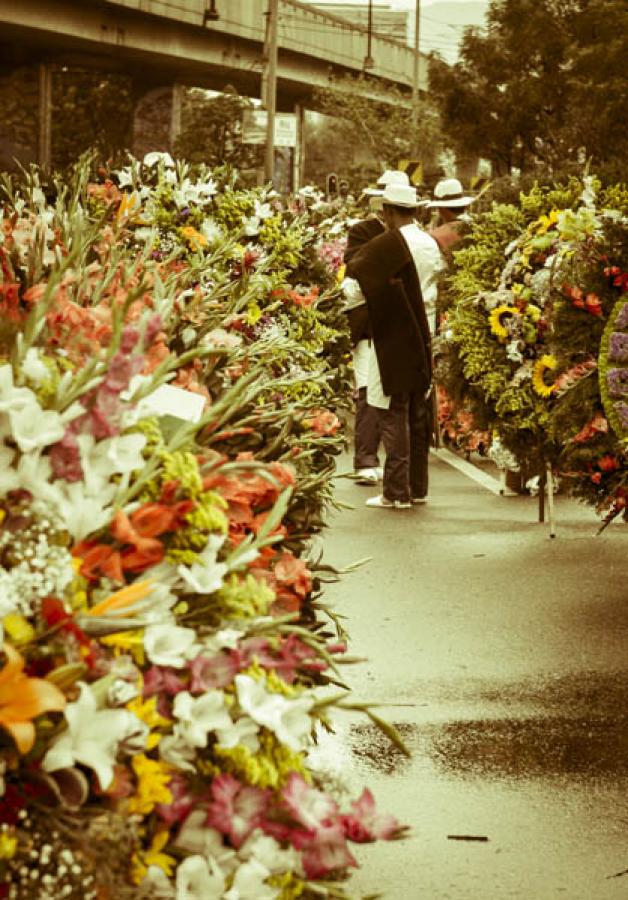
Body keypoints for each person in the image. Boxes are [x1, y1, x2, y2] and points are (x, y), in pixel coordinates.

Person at [345, 182, 433, 509]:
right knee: (415, 412)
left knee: (391, 411)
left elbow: (351, 288)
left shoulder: (381, 247)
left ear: (387, 212)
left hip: (387, 338)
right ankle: (416, 488)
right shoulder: (428, 244)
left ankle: (396, 492)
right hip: (420, 334)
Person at [342, 170, 410, 486]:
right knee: (368, 388)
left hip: (401, 323)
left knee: (396, 394)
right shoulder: (362, 232)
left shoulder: (412, 235)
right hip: (369, 324)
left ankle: (396, 465)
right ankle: (366, 458)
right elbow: (355, 274)